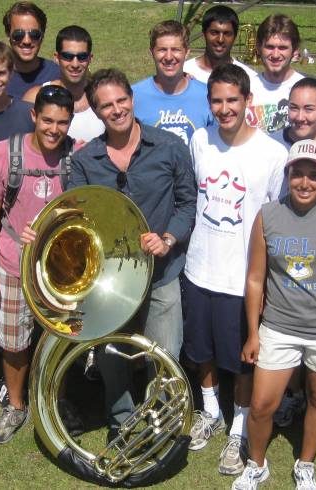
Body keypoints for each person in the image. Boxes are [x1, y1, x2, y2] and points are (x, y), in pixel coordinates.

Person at [70, 68, 196, 443]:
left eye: (121, 100)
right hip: (112, 276)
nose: (116, 110)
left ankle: (161, 420)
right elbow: (78, 214)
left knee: (166, 354)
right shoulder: (85, 159)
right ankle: (121, 422)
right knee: (111, 355)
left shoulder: (170, 145)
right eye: (106, 105)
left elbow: (188, 202)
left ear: (132, 99)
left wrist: (169, 237)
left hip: (161, 271)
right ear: (95, 112)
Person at [234, 140, 316, 490]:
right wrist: (253, 332)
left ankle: (306, 463)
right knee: (262, 405)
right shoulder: (269, 215)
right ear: (288, 174)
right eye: (298, 174)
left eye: (314, 175)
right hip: (279, 325)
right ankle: (256, 464)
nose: (305, 183)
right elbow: (255, 278)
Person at [183, 64, 287, 475]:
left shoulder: (272, 153)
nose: (224, 108)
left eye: (232, 100)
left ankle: (239, 427)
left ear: (248, 102)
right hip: (199, 269)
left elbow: (276, 215)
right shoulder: (199, 140)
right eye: (217, 100)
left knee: (242, 360)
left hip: (242, 278)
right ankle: (210, 411)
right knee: (201, 352)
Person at [0, 85, 76, 444]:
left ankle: (56, 399)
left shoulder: (77, 154)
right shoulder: (4, 154)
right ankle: (15, 405)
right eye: (47, 120)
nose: (54, 129)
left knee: (60, 338)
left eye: (62, 122)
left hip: (61, 270)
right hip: (12, 262)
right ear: (34, 116)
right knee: (14, 341)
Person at [132, 20, 214, 147]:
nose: (169, 57)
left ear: (187, 52)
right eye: (162, 50)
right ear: (151, 53)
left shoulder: (207, 95)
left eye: (176, 50)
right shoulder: (134, 96)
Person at [23, 25, 104, 142]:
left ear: (90, 58)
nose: (75, 64)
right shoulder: (34, 97)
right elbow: (24, 145)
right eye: (67, 56)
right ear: (57, 57)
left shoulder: (103, 96)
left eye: (82, 56)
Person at [246, 14, 305, 134]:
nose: (276, 55)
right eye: (269, 47)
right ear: (258, 47)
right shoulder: (247, 87)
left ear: (295, 49)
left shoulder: (305, 89)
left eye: (283, 48)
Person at [184, 5, 258, 81]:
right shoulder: (184, 72)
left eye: (227, 34)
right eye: (214, 33)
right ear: (204, 35)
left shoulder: (248, 78)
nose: (220, 40)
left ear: (235, 37)